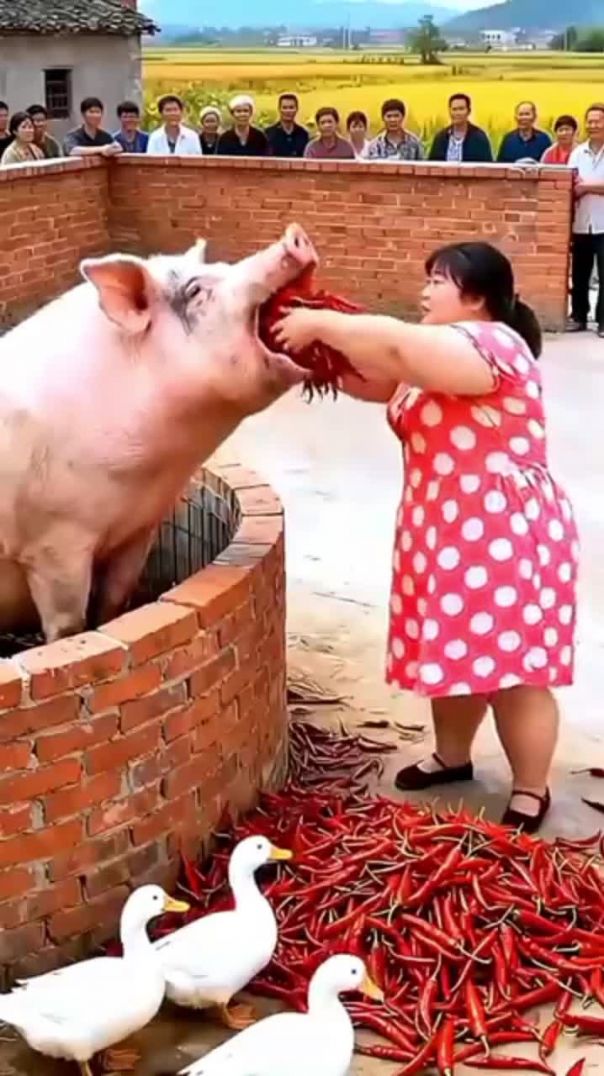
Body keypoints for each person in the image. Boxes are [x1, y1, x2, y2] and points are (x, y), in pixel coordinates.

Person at [273, 241, 578, 834]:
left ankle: (530, 787)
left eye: (439, 281)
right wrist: (303, 328)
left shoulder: (493, 344)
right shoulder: (432, 359)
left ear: (478, 297)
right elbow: (372, 377)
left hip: (501, 532)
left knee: (513, 669)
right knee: (454, 648)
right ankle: (452, 756)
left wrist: (321, 321)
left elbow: (392, 344)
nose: (425, 291)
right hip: (444, 527)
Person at [568, 104, 604, 337]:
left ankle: (603, 321)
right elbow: (569, 183)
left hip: (603, 222)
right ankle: (579, 316)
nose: (593, 125)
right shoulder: (577, 153)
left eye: (597, 121)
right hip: (581, 221)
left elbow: (581, 185)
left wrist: (586, 187)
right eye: (589, 121)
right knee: (580, 273)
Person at [429, 94, 493, 163]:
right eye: (454, 109)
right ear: (450, 111)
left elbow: (488, 166)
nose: (457, 113)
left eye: (461, 109)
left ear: (469, 111)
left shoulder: (479, 138)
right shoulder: (441, 137)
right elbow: (432, 164)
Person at [266, 93, 309, 158]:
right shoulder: (269, 133)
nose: (288, 111)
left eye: (291, 107)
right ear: (279, 109)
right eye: (284, 108)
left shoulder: (303, 134)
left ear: (296, 109)